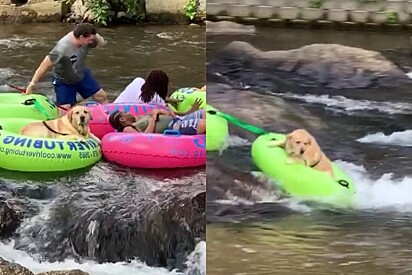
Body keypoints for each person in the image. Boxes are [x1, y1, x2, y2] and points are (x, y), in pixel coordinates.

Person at [24, 23, 108, 108]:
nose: (91, 42)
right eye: (89, 40)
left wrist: (96, 37)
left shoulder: (88, 38)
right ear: (81, 37)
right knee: (66, 109)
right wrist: (33, 83)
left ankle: (110, 117)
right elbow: (44, 65)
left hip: (80, 73)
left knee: (101, 96)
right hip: (64, 80)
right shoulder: (62, 48)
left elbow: (102, 43)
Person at [109, 106, 206, 135]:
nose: (129, 112)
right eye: (126, 112)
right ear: (123, 119)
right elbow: (144, 137)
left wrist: (161, 112)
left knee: (206, 112)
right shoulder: (128, 129)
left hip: (177, 120)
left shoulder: (138, 119)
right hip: (174, 127)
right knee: (204, 124)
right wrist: (153, 119)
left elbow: (158, 114)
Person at [114, 69, 179, 106]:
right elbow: (173, 115)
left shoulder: (138, 81)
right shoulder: (158, 101)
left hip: (111, 110)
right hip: (122, 118)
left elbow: (139, 96)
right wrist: (188, 112)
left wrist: (166, 99)